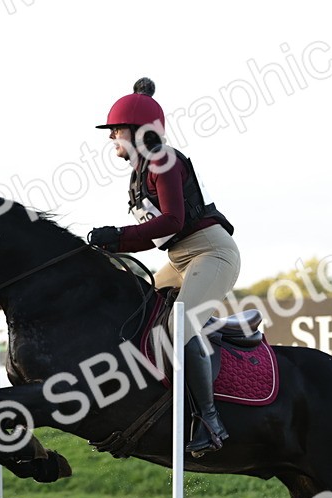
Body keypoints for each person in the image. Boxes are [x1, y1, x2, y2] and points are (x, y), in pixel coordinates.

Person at [87, 78, 239, 456]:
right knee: (136, 308)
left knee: (177, 325)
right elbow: (153, 236)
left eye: (116, 131)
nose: (112, 139)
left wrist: (118, 236)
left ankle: (210, 421)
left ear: (138, 132)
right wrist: (111, 245)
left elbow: (172, 221)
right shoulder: (140, 173)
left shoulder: (163, 160)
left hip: (211, 254)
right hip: (179, 259)